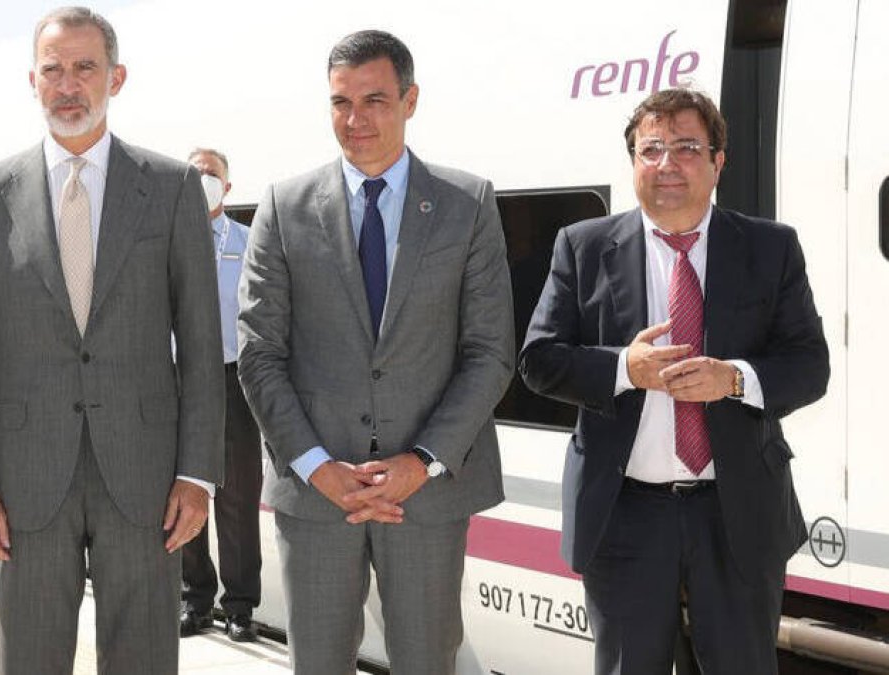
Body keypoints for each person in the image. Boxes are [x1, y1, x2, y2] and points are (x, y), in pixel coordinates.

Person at [0, 7, 224, 674]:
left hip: (148, 476)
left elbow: (203, 345)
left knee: (144, 659)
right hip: (23, 480)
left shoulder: (174, 187)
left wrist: (197, 473)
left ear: (116, 78)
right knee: (32, 658)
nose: (68, 85)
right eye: (53, 70)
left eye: (85, 68)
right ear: (32, 82)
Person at [519, 88, 830, 674]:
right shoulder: (583, 247)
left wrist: (733, 380)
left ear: (718, 162)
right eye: (651, 149)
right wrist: (622, 369)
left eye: (687, 147)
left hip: (736, 510)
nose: (667, 164)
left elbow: (809, 366)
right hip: (625, 513)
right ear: (633, 162)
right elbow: (539, 359)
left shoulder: (770, 247)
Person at [238, 30, 514, 674]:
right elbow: (259, 352)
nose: (355, 119)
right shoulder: (283, 207)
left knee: (427, 662)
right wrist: (314, 464)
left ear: (410, 99)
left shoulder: (466, 204)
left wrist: (422, 461)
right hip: (316, 497)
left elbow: (489, 349)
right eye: (340, 102)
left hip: (426, 494)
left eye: (375, 100)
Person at [179, 148, 263, 643]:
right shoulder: (163, 242)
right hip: (178, 379)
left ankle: (240, 606)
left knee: (236, 497)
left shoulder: (250, 244)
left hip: (233, 381)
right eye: (193, 173)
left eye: (210, 174)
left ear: (228, 187)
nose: (201, 180)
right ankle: (195, 599)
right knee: (183, 491)